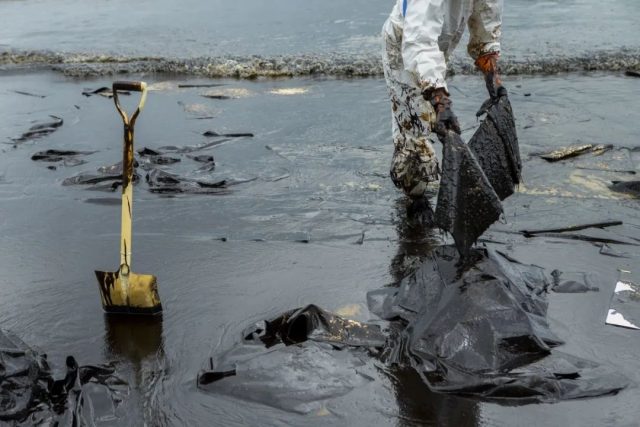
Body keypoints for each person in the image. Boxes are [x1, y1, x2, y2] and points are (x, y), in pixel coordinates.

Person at [382, 0, 504, 201]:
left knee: (430, 116)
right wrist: (441, 101)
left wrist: (493, 77)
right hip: (404, 48)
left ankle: (417, 194)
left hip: (436, 49)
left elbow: (486, 21)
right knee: (415, 134)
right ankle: (414, 201)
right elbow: (419, 44)